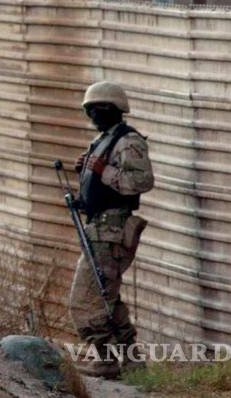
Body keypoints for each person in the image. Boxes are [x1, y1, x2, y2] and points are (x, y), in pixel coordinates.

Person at [69, 81, 154, 378]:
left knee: (85, 299)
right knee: (107, 297)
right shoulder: (105, 140)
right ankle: (131, 361)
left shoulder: (128, 141)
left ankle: (106, 359)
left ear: (116, 109)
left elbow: (142, 181)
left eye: (100, 109)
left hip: (111, 230)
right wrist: (87, 175)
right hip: (99, 229)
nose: (94, 115)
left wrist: (102, 171)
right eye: (90, 110)